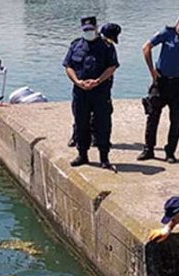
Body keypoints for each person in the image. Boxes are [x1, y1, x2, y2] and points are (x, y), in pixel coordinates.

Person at [138, 15, 179, 163]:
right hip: (161, 81)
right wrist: (152, 70)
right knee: (152, 115)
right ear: (176, 25)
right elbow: (146, 47)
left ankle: (170, 151)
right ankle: (148, 149)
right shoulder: (167, 33)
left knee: (176, 119)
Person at [63, 16, 119, 169]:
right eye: (85, 29)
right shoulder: (76, 45)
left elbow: (112, 67)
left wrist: (98, 81)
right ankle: (82, 154)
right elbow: (68, 66)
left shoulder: (106, 46)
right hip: (80, 92)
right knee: (81, 123)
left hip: (100, 92)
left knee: (103, 124)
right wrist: (77, 82)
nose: (88, 32)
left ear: (96, 27)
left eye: (91, 29)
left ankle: (104, 157)